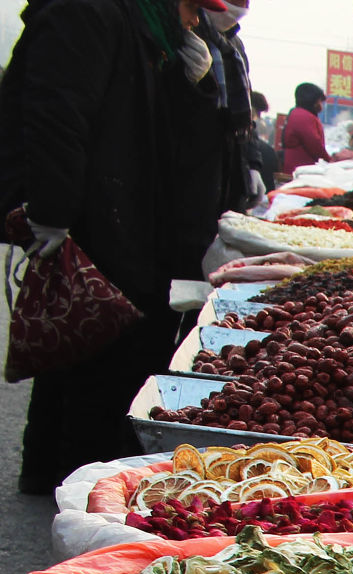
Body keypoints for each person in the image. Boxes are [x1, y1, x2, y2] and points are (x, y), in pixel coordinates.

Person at [0, 0, 249, 493]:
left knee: (84, 341)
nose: (196, 20)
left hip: (130, 210)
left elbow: (167, 131)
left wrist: (192, 86)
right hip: (101, 214)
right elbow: (58, 114)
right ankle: (81, 488)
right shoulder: (85, 12)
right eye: (192, 10)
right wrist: (52, 210)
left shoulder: (146, 24)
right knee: (100, 352)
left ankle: (50, 472)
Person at [280, 80, 327, 170]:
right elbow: (314, 144)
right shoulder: (303, 116)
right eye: (320, 101)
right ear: (313, 100)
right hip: (299, 167)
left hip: (301, 166)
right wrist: (329, 160)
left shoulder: (301, 114)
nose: (321, 105)